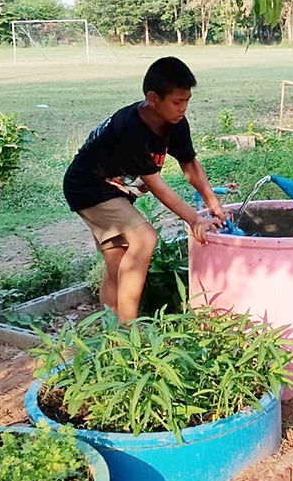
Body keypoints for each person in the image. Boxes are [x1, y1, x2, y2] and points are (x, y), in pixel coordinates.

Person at [63, 57, 225, 322]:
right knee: (144, 238)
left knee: (118, 261)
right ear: (153, 98)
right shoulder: (131, 127)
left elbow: (191, 167)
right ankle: (130, 333)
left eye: (187, 101)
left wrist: (213, 202)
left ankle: (112, 334)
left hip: (116, 191)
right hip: (89, 187)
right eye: (176, 102)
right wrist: (195, 219)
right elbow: (157, 186)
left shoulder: (175, 124)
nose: (183, 108)